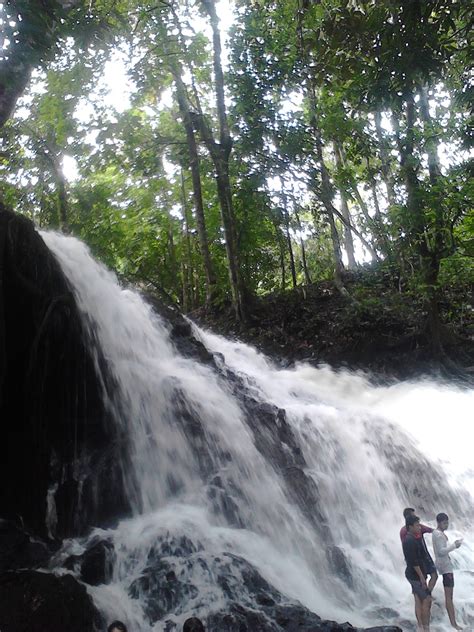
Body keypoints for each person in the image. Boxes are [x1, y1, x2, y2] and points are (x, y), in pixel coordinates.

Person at [432, 512, 463, 630]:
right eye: (445, 523)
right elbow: (441, 551)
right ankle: (454, 624)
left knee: (448, 596)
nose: (447, 525)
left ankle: (453, 623)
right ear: (439, 523)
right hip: (445, 567)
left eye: (447, 522)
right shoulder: (439, 535)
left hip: (442, 565)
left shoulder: (437, 533)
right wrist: (454, 545)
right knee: (449, 597)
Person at [403, 514, 432, 632]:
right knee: (426, 599)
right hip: (415, 575)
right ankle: (426, 627)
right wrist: (422, 578)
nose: (419, 528)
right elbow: (414, 562)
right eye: (417, 525)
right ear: (410, 527)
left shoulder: (411, 538)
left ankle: (420, 626)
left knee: (418, 599)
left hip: (414, 574)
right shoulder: (410, 541)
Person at [400, 507, 438, 593]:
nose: (416, 517)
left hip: (421, 557)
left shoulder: (415, 527)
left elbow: (431, 530)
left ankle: (426, 594)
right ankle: (426, 596)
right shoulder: (407, 532)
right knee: (425, 578)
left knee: (430, 577)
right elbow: (407, 549)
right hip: (418, 559)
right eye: (414, 516)